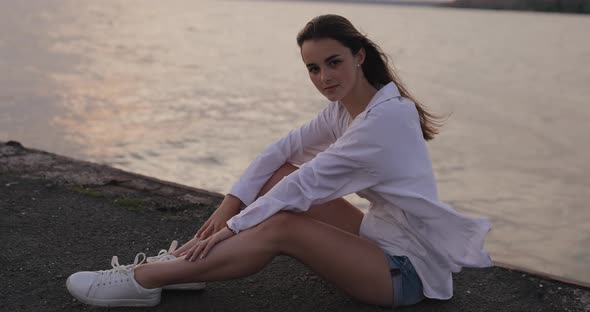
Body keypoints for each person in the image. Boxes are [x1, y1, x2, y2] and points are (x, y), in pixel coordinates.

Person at [66, 14, 493, 309]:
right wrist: (226, 207)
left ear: (359, 55)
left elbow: (306, 185)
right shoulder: (348, 108)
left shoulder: (385, 121)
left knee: (283, 222)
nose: (324, 78)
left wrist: (231, 228)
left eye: (333, 63)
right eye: (313, 68)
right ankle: (185, 269)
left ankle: (145, 280)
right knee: (277, 176)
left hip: (407, 274)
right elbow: (281, 153)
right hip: (382, 239)